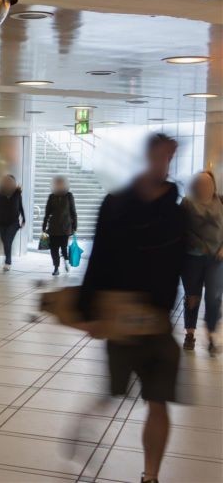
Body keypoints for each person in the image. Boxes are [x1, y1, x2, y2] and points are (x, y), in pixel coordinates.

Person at [77, 134, 185, 483]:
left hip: (157, 322)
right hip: (120, 316)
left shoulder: (176, 211)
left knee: (158, 401)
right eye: (161, 156)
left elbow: (181, 262)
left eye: (170, 158)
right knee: (113, 392)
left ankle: (150, 475)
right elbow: (99, 259)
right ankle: (85, 428)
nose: (165, 164)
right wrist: (88, 310)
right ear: (149, 156)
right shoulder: (117, 204)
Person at [180, 170, 223, 355]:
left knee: (213, 297)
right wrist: (199, 244)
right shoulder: (187, 202)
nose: (205, 186)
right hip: (192, 258)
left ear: (213, 185)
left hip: (216, 258)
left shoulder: (221, 201)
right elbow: (181, 228)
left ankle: (212, 335)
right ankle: (190, 333)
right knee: (192, 296)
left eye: (208, 183)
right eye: (201, 183)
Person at [42, 176, 78, 275]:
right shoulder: (51, 197)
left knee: (63, 247)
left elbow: (73, 212)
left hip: (65, 227)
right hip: (53, 227)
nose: (59, 185)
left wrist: (75, 226)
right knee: (53, 249)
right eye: (57, 184)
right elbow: (47, 213)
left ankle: (66, 261)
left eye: (61, 184)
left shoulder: (69, 196)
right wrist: (44, 226)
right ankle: (56, 268)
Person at [0, 174, 26, 271]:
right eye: (6, 182)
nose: (8, 183)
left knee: (7, 241)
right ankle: (7, 260)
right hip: (0, 223)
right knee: (5, 241)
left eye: (10, 182)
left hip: (13, 223)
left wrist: (24, 219)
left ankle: (8, 261)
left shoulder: (17, 193)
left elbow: (20, 207)